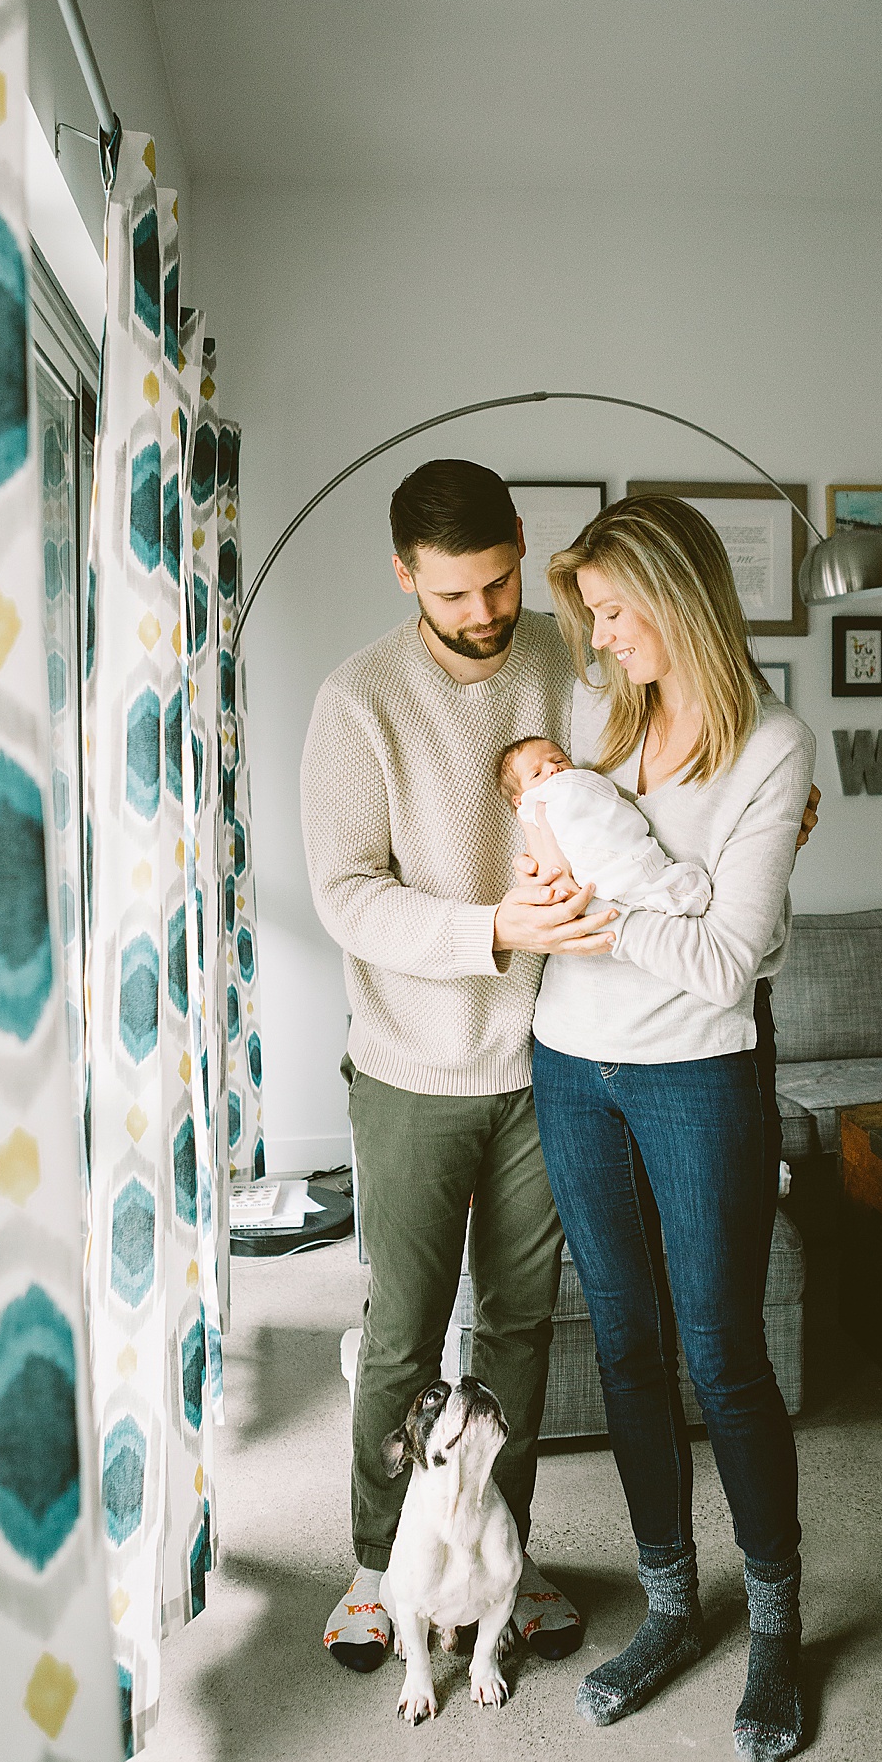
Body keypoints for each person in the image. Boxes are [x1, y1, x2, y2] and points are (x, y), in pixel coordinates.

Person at [300, 458, 618, 1672]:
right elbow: (345, 895)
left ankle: (503, 1558)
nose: (484, 614)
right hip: (409, 1069)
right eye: (454, 596)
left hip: (546, 1061)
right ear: (403, 575)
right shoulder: (357, 700)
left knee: (523, 1328)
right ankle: (380, 1563)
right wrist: (493, 929)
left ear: (519, 548)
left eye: (497, 583)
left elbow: (627, 783)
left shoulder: (565, 651)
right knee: (401, 1335)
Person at [529, 491, 817, 1762]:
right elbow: (595, 876)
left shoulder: (772, 745)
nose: (601, 638)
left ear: (677, 591)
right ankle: (668, 1608)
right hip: (568, 1061)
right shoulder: (610, 719)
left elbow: (724, 965)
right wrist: (565, 896)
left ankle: (774, 1628)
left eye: (613, 611)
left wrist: (605, 910)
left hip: (699, 1075)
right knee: (629, 1347)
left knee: (723, 1352)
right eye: (588, 617)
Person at [496, 735, 713, 916]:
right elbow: (548, 863)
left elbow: (610, 808)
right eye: (536, 774)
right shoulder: (533, 811)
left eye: (560, 760)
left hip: (631, 853)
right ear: (519, 800)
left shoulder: (579, 783)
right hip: (595, 880)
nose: (553, 769)